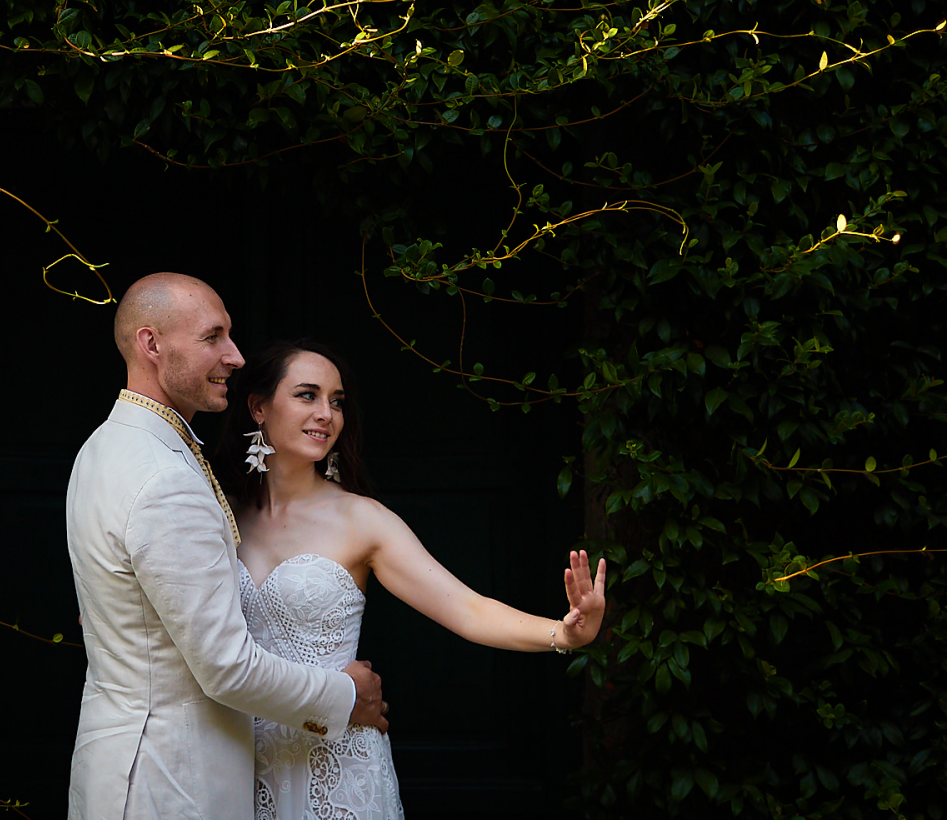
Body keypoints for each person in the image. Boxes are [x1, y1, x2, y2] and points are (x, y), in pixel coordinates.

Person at [211, 339, 607, 820]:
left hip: (339, 763)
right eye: (307, 395)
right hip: (236, 762)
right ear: (258, 407)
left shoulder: (363, 520)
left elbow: (468, 608)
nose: (326, 414)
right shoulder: (217, 515)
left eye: (336, 401)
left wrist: (562, 633)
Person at [65, 274, 390, 820]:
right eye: (213, 337)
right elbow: (225, 668)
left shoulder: (104, 447)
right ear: (152, 344)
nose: (235, 357)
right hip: (171, 781)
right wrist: (343, 697)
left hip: (118, 765)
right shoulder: (164, 475)